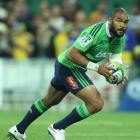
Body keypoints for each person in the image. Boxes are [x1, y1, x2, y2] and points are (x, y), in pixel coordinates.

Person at [8, 7, 129, 140]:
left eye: (125, 22)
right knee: (96, 103)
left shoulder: (119, 36)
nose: (122, 25)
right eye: (119, 21)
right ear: (110, 20)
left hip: (68, 66)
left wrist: (119, 72)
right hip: (69, 66)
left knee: (49, 101)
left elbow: (116, 58)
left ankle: (18, 130)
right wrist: (97, 68)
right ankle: (58, 127)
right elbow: (73, 54)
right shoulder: (94, 32)